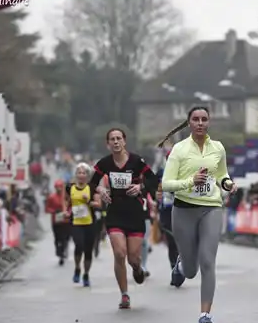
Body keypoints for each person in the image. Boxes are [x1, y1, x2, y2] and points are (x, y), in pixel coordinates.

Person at [160, 106, 237, 323]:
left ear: (209, 122)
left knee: (207, 261)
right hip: (184, 210)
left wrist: (228, 184)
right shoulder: (179, 150)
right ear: (189, 123)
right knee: (192, 270)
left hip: (211, 208)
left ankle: (205, 315)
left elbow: (222, 175)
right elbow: (166, 184)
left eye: (204, 119)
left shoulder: (218, 148)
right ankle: (182, 265)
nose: (200, 123)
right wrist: (190, 182)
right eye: (196, 119)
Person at [90, 128, 158, 309]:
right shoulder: (104, 163)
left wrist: (140, 188)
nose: (116, 142)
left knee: (133, 259)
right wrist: (101, 190)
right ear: (108, 144)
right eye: (112, 139)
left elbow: (153, 181)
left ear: (124, 141)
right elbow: (92, 183)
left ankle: (137, 269)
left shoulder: (136, 161)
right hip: (115, 213)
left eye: (119, 138)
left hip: (135, 212)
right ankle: (124, 295)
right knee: (119, 253)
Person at [67, 163, 102, 287]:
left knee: (88, 251)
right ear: (76, 175)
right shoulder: (70, 187)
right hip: (76, 223)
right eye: (79, 173)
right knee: (79, 245)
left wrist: (89, 201)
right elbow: (66, 201)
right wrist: (66, 211)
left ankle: (86, 274)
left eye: (84, 173)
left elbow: (99, 204)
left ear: (87, 175)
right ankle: (77, 268)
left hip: (90, 223)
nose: (81, 175)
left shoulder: (92, 188)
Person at [155, 150, 180, 281]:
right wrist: (156, 196)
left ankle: (182, 264)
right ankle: (174, 270)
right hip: (166, 210)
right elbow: (154, 188)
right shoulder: (161, 172)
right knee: (171, 241)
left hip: (183, 209)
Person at [46, 179, 71, 265]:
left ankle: (63, 252)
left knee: (65, 238)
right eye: (57, 187)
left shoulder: (67, 197)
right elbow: (47, 209)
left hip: (66, 221)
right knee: (57, 238)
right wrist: (54, 211)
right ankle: (58, 250)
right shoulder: (51, 197)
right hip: (56, 221)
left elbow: (71, 206)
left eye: (60, 187)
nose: (59, 189)